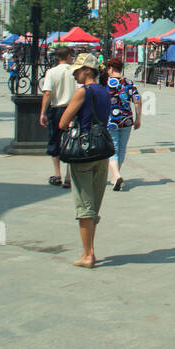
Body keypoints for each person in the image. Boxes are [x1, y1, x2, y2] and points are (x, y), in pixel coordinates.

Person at [58, 54, 112, 269]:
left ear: (87, 71)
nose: (74, 74)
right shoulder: (105, 92)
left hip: (83, 152)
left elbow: (63, 122)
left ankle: (87, 254)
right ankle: (89, 249)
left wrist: (71, 120)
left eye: (77, 70)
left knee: (84, 206)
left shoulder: (83, 92)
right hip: (102, 152)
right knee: (94, 206)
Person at [39, 46, 76, 187]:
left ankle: (56, 174)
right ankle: (68, 176)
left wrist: (43, 112)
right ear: (67, 56)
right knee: (71, 141)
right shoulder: (74, 71)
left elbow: (47, 93)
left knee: (55, 139)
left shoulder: (51, 72)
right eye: (71, 56)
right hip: (72, 110)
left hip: (56, 110)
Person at [104, 56, 142, 191]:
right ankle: (115, 176)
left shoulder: (105, 83)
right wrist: (138, 118)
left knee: (112, 148)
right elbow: (137, 100)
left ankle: (116, 175)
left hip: (110, 121)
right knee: (122, 148)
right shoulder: (128, 82)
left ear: (112, 68)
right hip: (126, 120)